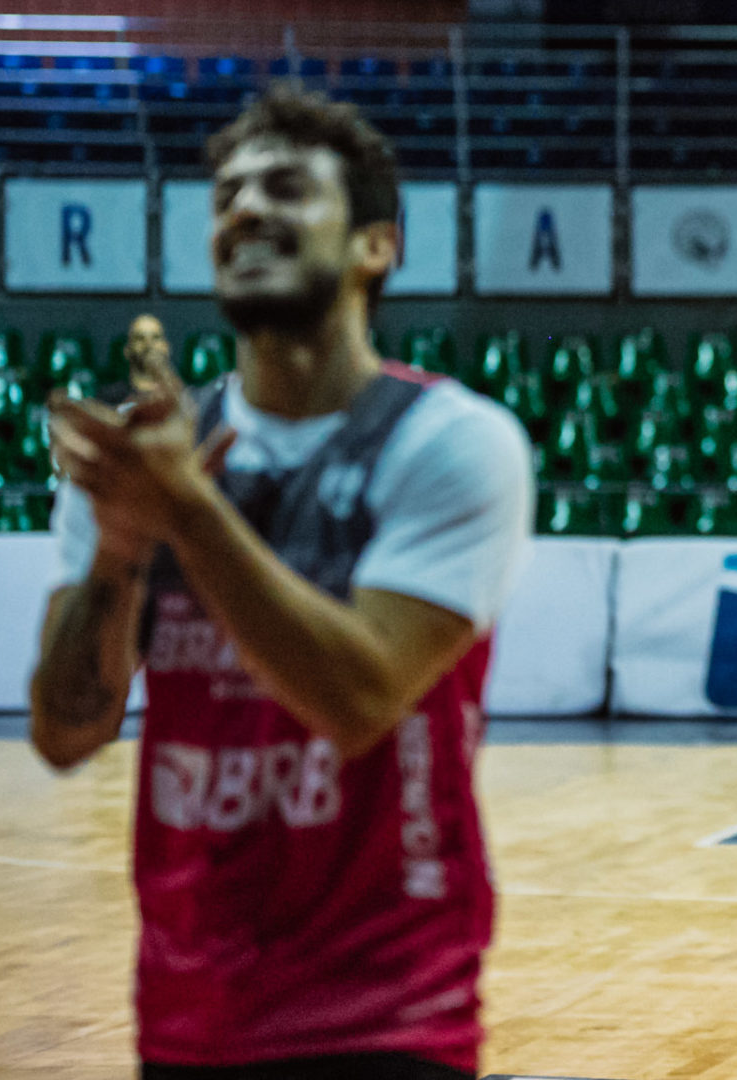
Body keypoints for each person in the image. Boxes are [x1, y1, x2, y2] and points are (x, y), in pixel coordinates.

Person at [30, 87, 533, 1080]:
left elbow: (357, 698)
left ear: (374, 247)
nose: (244, 210)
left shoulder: (450, 442)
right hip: (186, 1007)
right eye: (226, 196)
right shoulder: (144, 460)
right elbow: (65, 729)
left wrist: (184, 511)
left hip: (386, 1012)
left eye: (287, 189)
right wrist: (119, 551)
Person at [98, 312, 172, 407]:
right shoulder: (109, 397)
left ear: (166, 347)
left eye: (155, 338)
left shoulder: (182, 398)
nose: (149, 345)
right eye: (140, 338)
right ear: (127, 350)